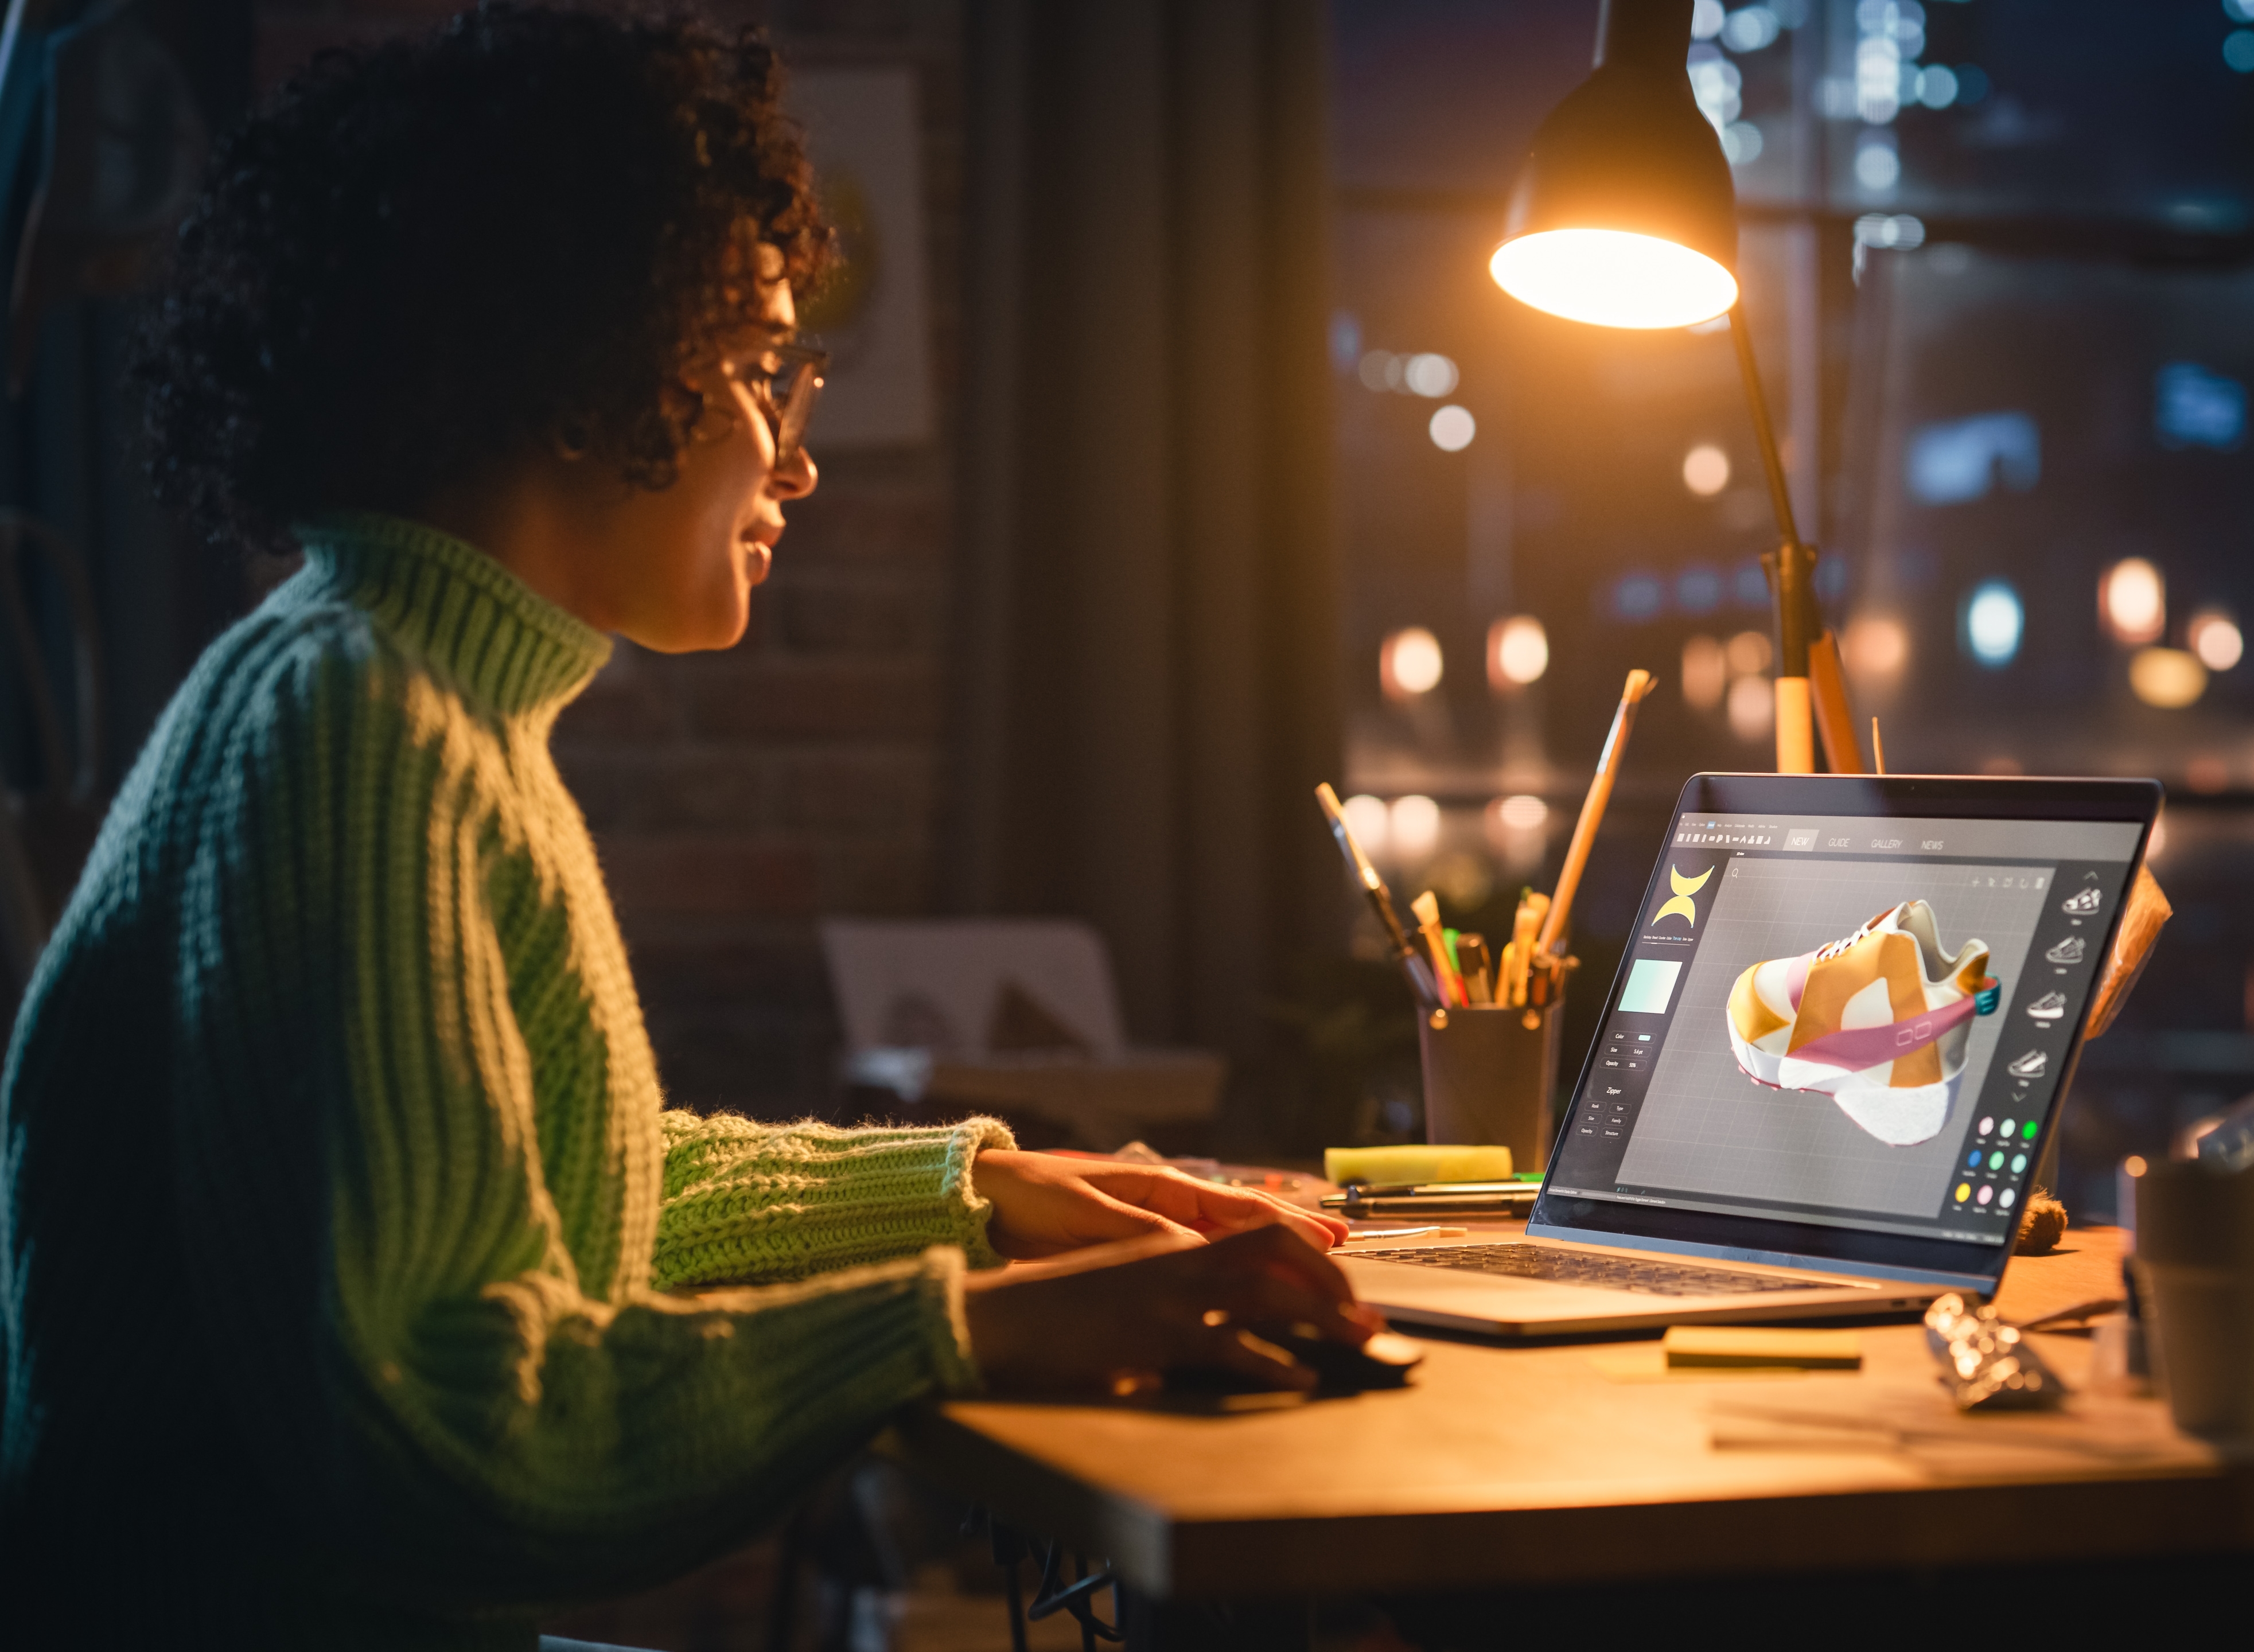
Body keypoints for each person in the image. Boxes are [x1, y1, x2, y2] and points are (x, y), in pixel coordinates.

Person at [0, 8, 1368, 1646]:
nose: (793, 458)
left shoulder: (413, 692)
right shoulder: (361, 725)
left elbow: (587, 1202)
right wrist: (990, 1330)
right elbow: (453, 1416)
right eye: (754, 367)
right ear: (579, 364)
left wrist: (993, 1192)